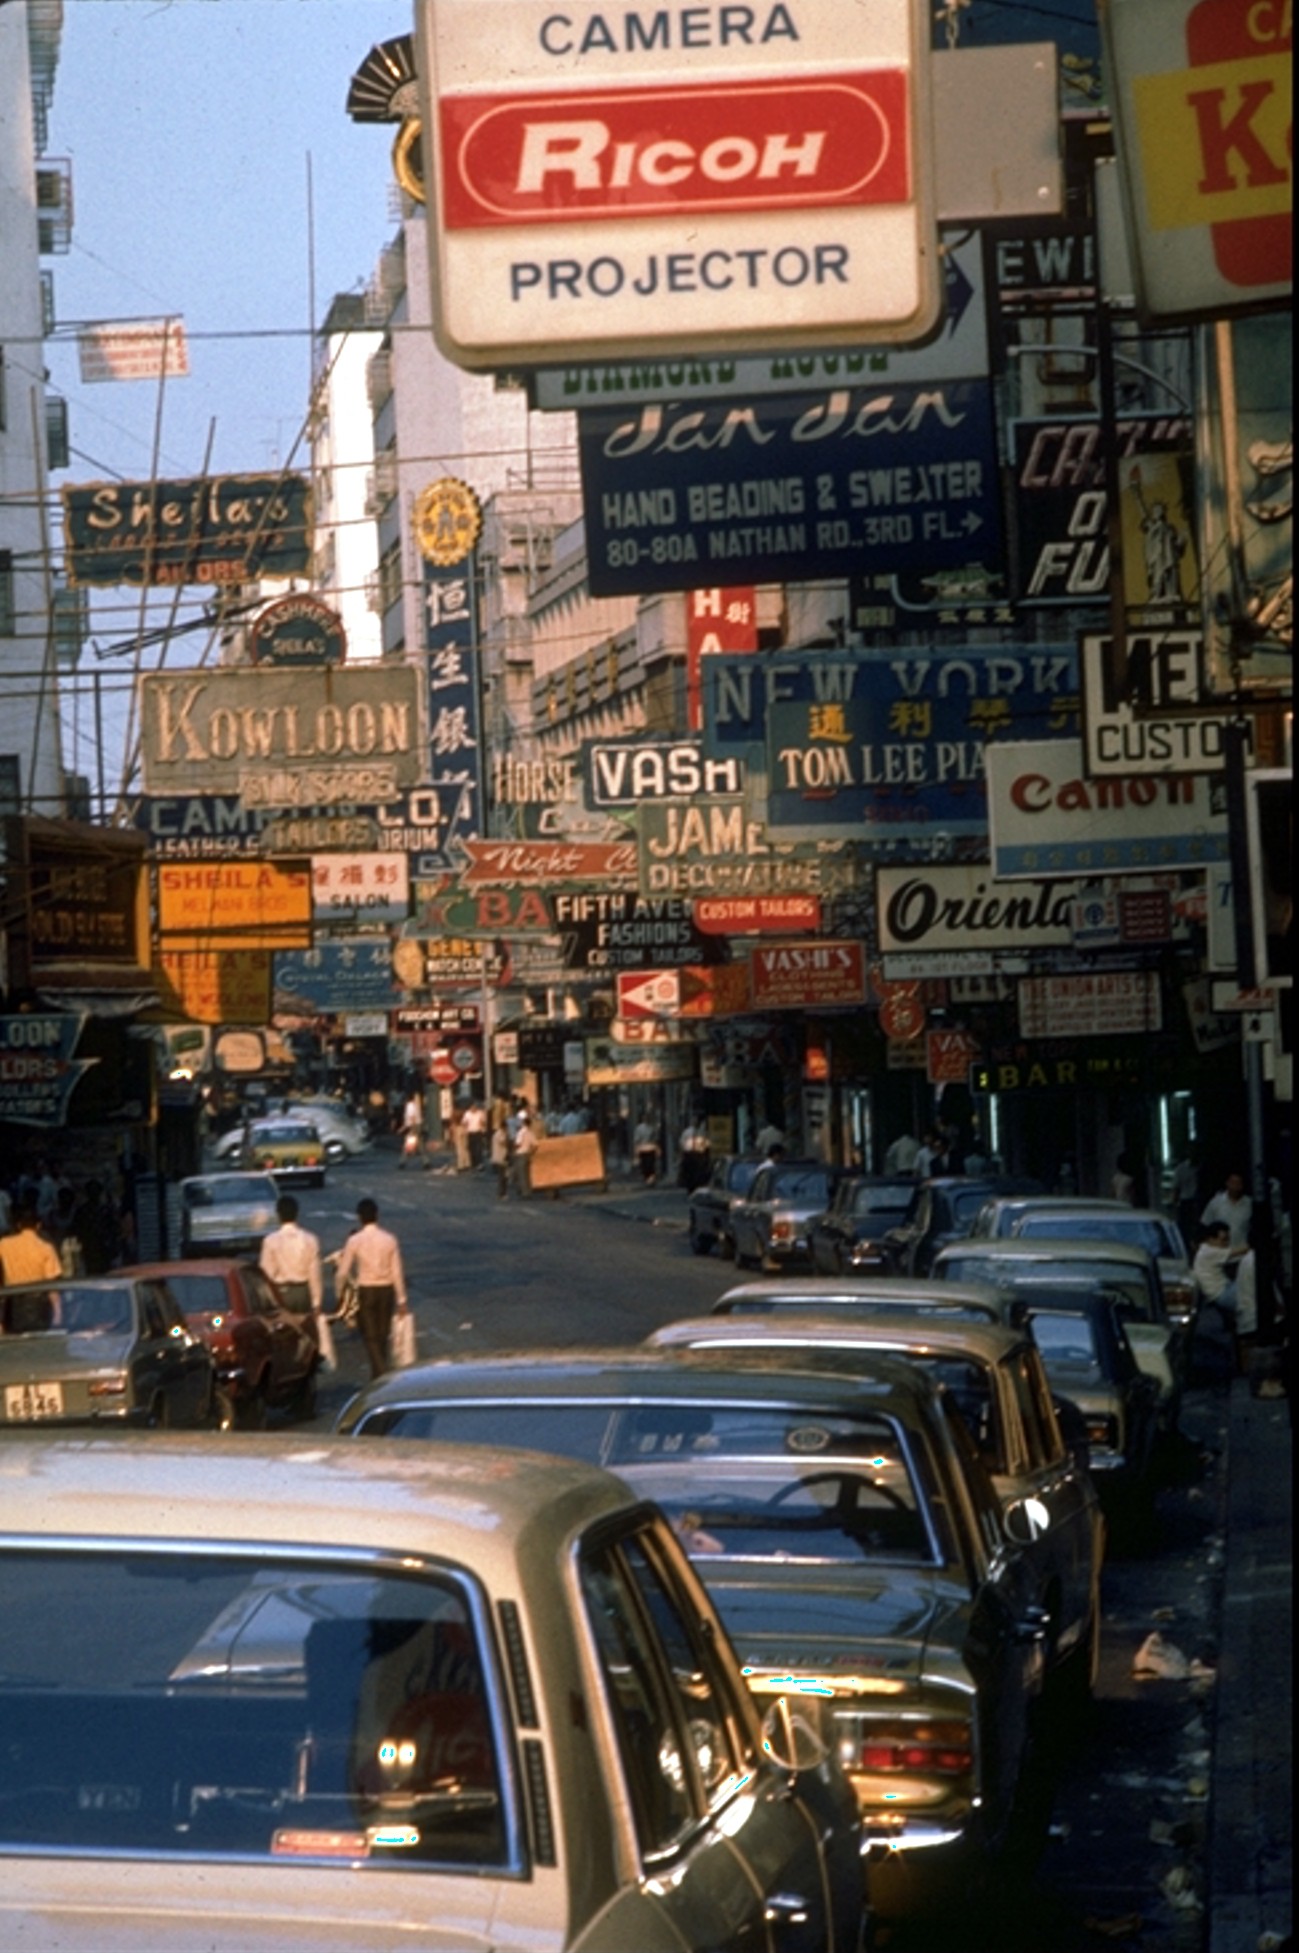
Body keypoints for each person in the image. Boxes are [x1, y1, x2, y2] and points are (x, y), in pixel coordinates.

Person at [334, 1198, 408, 1381]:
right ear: (377, 1215)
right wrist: (402, 1300)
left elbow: (342, 1272)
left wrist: (340, 1294)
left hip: (366, 1290)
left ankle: (381, 1374)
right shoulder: (389, 1239)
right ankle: (378, 1377)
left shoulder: (354, 1240)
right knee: (383, 1335)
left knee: (369, 1336)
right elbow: (397, 1272)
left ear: (359, 1218)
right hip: (386, 1290)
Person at [259, 1194, 323, 1316]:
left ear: (278, 1214)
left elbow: (267, 1273)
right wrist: (317, 1302)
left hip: (280, 1292)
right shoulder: (310, 1239)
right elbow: (315, 1274)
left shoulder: (270, 1241)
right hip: (302, 1291)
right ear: (296, 1213)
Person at [0, 1201, 62, 1288]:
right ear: (38, 1225)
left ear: (18, 1225)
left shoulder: (4, 1244)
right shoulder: (46, 1248)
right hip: (39, 1297)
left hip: (12, 1295)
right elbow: (52, 1281)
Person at [1201, 1171, 1253, 1249]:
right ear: (1227, 1183)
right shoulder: (1216, 1202)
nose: (1235, 1187)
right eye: (1232, 1183)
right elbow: (1205, 1224)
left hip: (1241, 1251)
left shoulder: (1249, 1204)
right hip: (1219, 1253)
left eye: (1238, 1183)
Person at [512, 1108, 538, 1199]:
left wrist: (513, 1148)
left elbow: (518, 1144)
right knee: (527, 1175)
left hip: (520, 1154)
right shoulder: (531, 1133)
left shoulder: (520, 1132)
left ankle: (524, 1192)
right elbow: (535, 1145)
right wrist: (531, 1153)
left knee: (521, 1175)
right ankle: (529, 1191)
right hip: (527, 1154)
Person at [399, 1090, 424, 1169]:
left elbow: (411, 1118)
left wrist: (411, 1129)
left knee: (407, 1145)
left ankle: (402, 1162)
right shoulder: (416, 1106)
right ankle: (426, 1162)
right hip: (417, 1125)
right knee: (420, 1145)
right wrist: (402, 1128)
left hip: (413, 1127)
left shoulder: (410, 1106)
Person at [462, 1099, 487, 1169]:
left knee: (479, 1148)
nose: (473, 1108)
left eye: (475, 1107)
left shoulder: (480, 1113)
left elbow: (483, 1122)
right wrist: (465, 1129)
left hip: (478, 1132)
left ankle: (479, 1162)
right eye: (472, 1107)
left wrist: (482, 1126)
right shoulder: (467, 1113)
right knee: (471, 1148)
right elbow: (464, 1122)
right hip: (470, 1132)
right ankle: (473, 1163)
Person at [633, 1117, 659, 1184]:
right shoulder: (652, 1127)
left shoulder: (639, 1128)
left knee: (644, 1164)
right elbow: (655, 1139)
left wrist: (636, 1151)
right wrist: (657, 1148)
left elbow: (636, 1140)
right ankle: (651, 1178)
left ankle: (648, 1178)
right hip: (651, 1148)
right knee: (651, 1164)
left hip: (642, 1148)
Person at [491, 1120, 511, 1199]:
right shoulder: (499, 1134)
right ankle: (501, 1193)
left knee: (504, 1176)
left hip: (502, 1157)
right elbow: (503, 1142)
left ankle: (503, 1192)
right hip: (500, 1157)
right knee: (502, 1177)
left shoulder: (500, 1133)